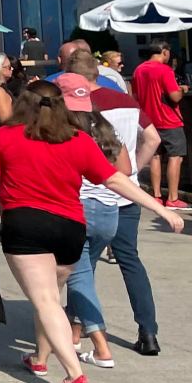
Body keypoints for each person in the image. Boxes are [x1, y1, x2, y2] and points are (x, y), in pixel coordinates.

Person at [0, 80, 180, 383]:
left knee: (46, 300)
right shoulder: (78, 139)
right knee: (48, 297)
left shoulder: (5, 136)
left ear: (23, 104)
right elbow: (115, 178)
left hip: (25, 224)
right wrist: (160, 209)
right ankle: (39, 358)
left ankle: (74, 375)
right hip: (69, 229)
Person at [56, 60, 163, 364]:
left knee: (81, 267)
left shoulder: (80, 107)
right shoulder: (127, 102)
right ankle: (148, 330)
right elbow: (153, 139)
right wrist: (131, 175)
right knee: (130, 261)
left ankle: (77, 332)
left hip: (90, 194)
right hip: (125, 194)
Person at [130, 42, 187, 210]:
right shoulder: (165, 70)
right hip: (169, 119)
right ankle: (173, 198)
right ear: (164, 52)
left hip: (147, 120)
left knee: (155, 157)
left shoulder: (138, 70)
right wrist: (183, 89)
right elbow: (174, 96)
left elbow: (134, 95)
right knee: (175, 157)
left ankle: (156, 195)